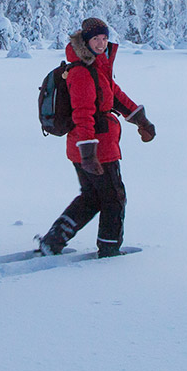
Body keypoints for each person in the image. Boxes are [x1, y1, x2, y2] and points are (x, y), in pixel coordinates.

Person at [36, 17, 156, 258]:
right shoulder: (81, 72)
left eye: (104, 39)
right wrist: (89, 154)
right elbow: (83, 114)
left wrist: (140, 120)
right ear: (85, 41)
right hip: (96, 147)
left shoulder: (96, 68)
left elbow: (116, 95)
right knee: (114, 198)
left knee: (91, 198)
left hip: (86, 146)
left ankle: (54, 240)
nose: (101, 44)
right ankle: (109, 248)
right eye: (96, 39)